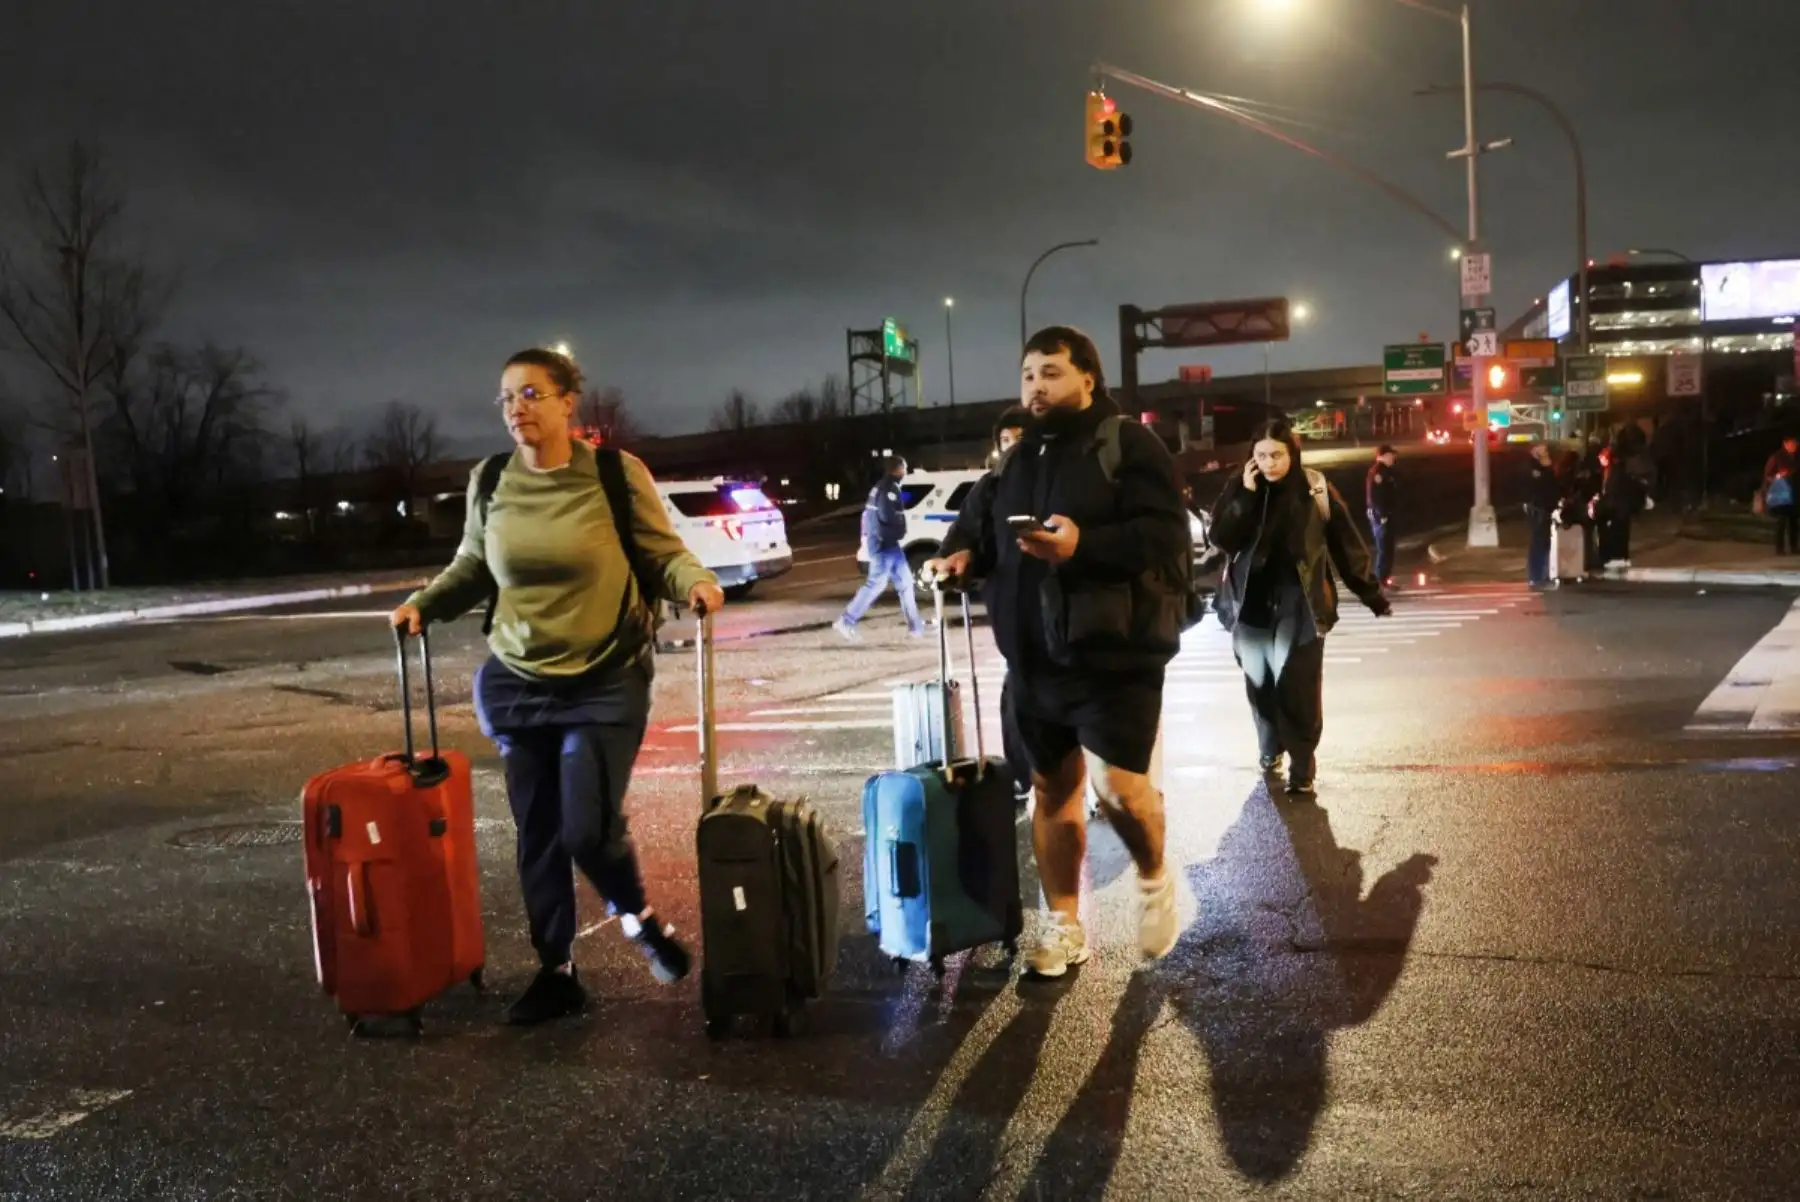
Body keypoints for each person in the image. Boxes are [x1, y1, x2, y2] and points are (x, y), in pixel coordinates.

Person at [390, 347, 725, 1026]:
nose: (517, 409)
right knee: (538, 832)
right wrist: (423, 603)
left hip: (605, 676)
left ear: (570, 400)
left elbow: (662, 552)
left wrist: (697, 583)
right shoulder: (489, 481)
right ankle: (556, 969)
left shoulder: (612, 473)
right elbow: (472, 568)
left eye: (532, 394)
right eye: (507, 398)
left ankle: (638, 918)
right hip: (517, 680)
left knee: (586, 830)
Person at [924, 326, 1189, 978]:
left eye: (1050, 373)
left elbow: (1163, 534)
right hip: (1035, 661)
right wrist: (959, 560)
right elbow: (979, 535)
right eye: (1027, 375)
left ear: (1087, 380)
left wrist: (1084, 546)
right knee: (1051, 791)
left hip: (1114, 656)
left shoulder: (1126, 443)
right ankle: (1064, 925)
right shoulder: (1015, 462)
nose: (1035, 386)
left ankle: (1155, 879)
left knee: (1119, 789)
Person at [1208, 420, 1390, 797]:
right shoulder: (1240, 487)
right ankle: (1270, 745)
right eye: (1261, 455)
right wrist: (1244, 496)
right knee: (1260, 682)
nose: (1270, 463)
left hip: (1300, 602)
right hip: (1250, 604)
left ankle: (1302, 765)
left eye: (1277, 455)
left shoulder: (1315, 488)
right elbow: (1222, 539)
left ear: (1292, 454)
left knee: (1298, 684)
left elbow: (1346, 544)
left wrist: (1370, 593)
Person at [942, 407, 1032, 804]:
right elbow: (963, 534)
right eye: (1006, 441)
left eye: (1021, 439)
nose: (1013, 448)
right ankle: (1023, 778)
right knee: (1017, 699)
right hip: (1014, 615)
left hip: (1069, 619)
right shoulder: (989, 488)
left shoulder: (1061, 482)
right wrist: (953, 559)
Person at [835, 456, 925, 641]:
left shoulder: (882, 486)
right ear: (898, 469)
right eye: (905, 468)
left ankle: (916, 628)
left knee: (906, 583)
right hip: (884, 544)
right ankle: (846, 620)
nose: (906, 472)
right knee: (876, 584)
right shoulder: (888, 488)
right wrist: (900, 530)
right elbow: (887, 515)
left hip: (887, 544)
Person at [1524, 443, 1562, 588]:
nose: (1546, 455)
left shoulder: (1544, 469)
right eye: (1543, 452)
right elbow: (1542, 486)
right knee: (1538, 543)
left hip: (1546, 509)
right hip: (1539, 509)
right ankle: (1536, 576)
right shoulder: (1534, 469)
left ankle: (1542, 574)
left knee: (1545, 542)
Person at [1364, 445, 1399, 586]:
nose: (1393, 458)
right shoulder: (1378, 472)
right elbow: (1376, 496)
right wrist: (1382, 515)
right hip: (1381, 516)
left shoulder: (1386, 471)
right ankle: (1379, 580)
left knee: (1388, 548)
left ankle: (1384, 579)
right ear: (1382, 456)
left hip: (1386, 514)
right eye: (1391, 455)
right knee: (1384, 548)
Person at [1763, 435, 1798, 556]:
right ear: (1785, 444)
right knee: (1781, 522)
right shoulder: (1777, 457)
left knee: (1794, 522)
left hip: (1795, 494)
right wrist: (1777, 476)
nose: (1795, 446)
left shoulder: (1797, 458)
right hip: (1781, 495)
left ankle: (1794, 546)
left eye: (1796, 444)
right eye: (1792, 443)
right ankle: (1780, 548)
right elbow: (1768, 474)